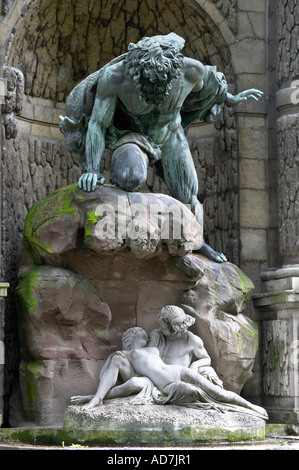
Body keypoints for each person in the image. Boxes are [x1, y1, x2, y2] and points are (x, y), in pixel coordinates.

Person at [60, 33, 263, 262]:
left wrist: (229, 99)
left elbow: (211, 86)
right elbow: (98, 123)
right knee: (129, 176)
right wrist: (92, 170)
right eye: (149, 81)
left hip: (169, 134)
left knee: (189, 192)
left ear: (175, 70)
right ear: (136, 71)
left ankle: (199, 242)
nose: (156, 88)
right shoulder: (115, 78)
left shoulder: (191, 71)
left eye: (163, 81)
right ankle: (125, 230)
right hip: (132, 136)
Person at [74, 327, 268, 420]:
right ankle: (96, 398)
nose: (147, 335)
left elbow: (166, 331)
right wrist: (98, 394)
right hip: (168, 385)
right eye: (143, 334)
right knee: (214, 396)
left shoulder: (152, 347)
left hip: (179, 371)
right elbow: (115, 375)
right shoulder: (123, 356)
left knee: (221, 394)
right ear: (133, 337)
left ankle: (251, 407)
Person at [148, 305, 223, 387]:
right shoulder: (157, 336)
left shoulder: (191, 339)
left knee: (208, 371)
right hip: (160, 378)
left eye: (164, 328)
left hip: (183, 377)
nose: (161, 329)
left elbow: (206, 359)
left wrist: (195, 365)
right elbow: (146, 357)